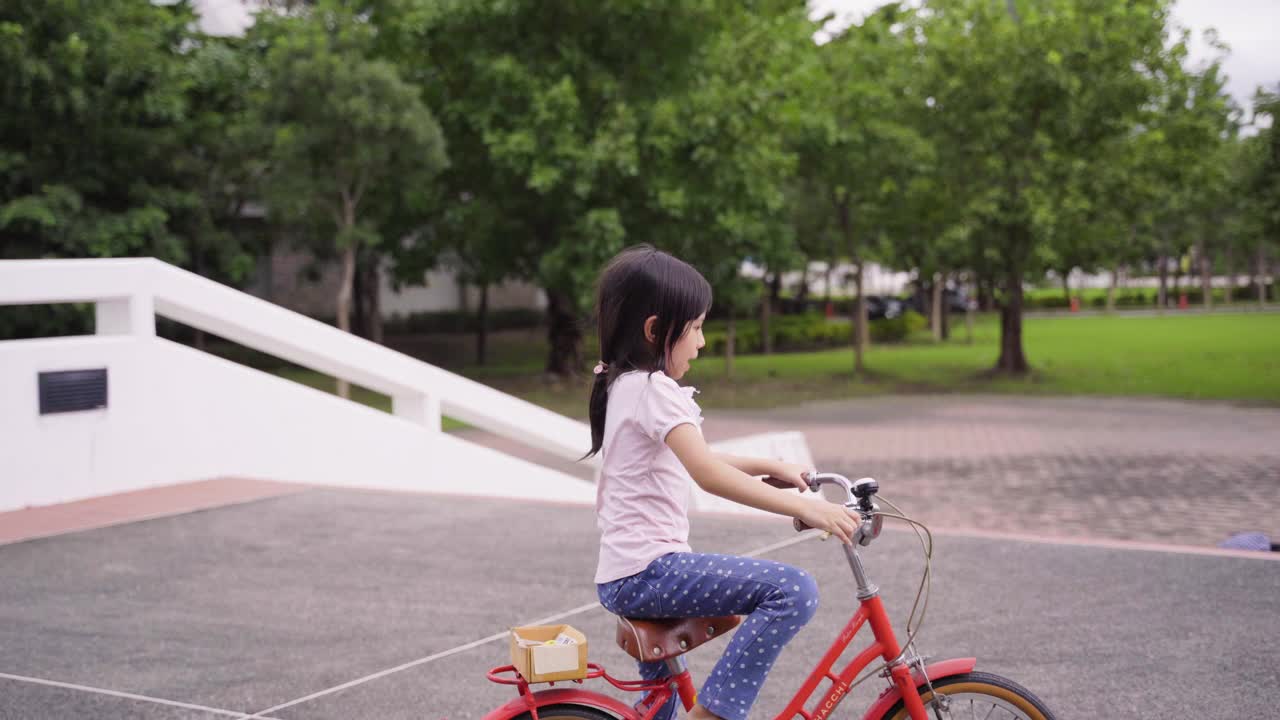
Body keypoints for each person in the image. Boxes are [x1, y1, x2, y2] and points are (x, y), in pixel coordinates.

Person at [587, 245, 862, 720]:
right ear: (655, 331)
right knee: (793, 589)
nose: (702, 342)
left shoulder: (627, 384)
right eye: (695, 327)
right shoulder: (654, 390)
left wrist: (768, 465)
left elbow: (694, 458)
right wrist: (805, 507)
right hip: (648, 572)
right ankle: (713, 715)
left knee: (659, 710)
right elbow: (706, 473)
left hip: (627, 573)